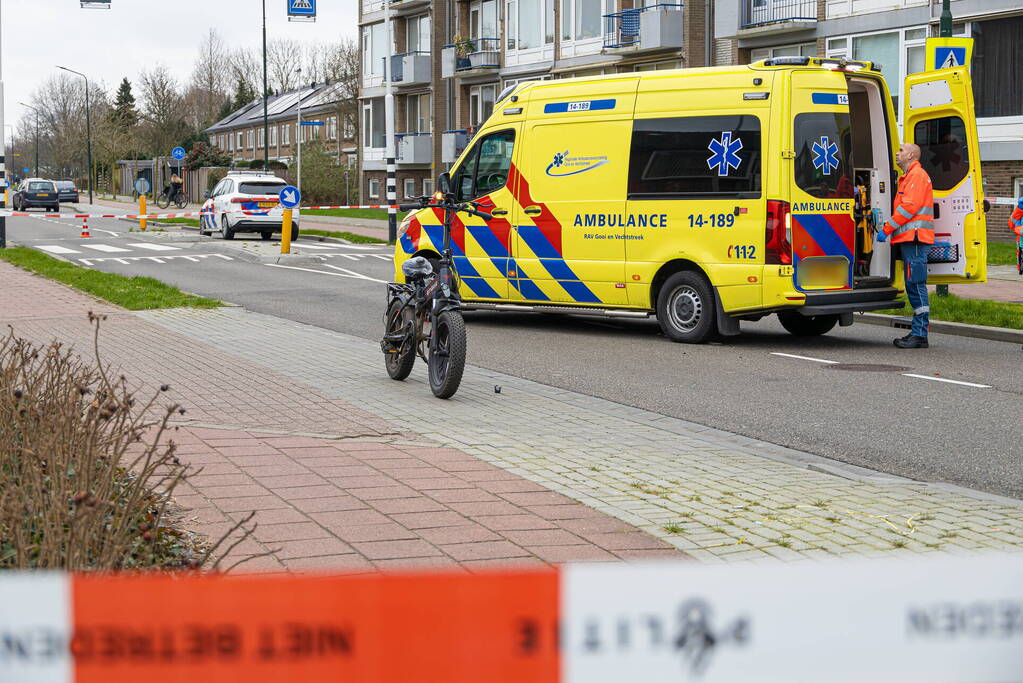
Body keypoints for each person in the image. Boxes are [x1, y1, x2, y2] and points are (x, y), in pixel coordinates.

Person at [875, 143, 934, 349]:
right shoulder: (909, 176)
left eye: (900, 150)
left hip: (915, 239)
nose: (897, 153)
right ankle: (918, 332)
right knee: (913, 284)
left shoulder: (916, 176)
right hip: (911, 239)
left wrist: (887, 228)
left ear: (910, 155)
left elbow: (909, 207)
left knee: (916, 284)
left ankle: (920, 334)